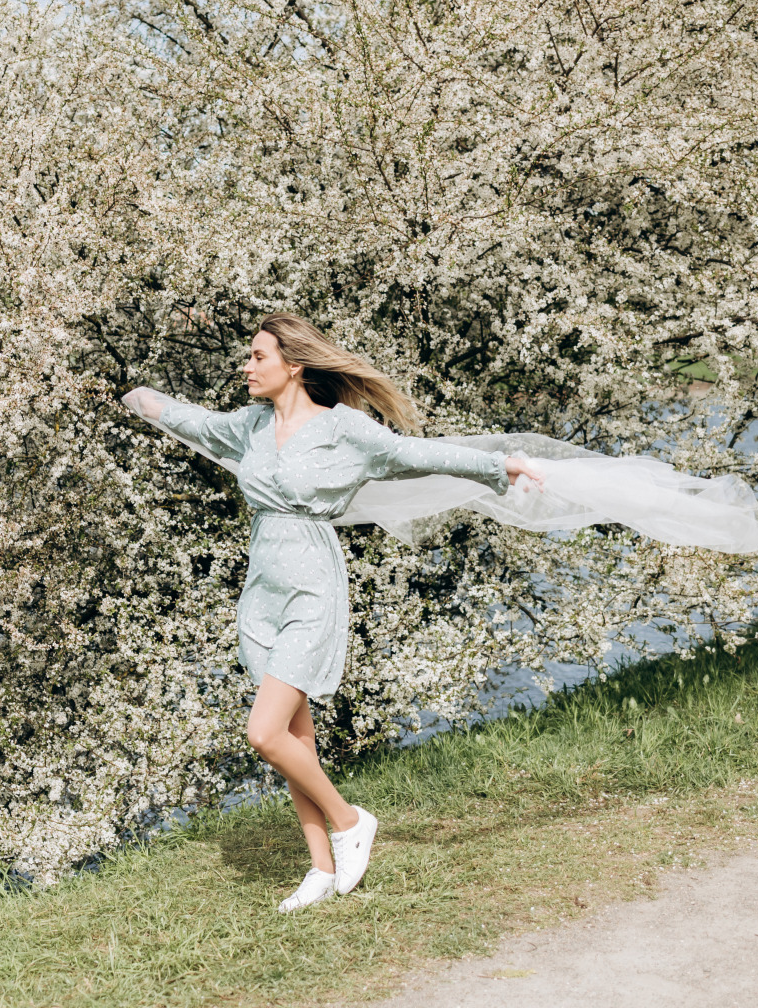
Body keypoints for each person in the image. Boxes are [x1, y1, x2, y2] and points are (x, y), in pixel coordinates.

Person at [128, 313, 544, 913]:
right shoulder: (249, 426)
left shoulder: (344, 429)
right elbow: (191, 421)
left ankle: (350, 823)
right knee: (297, 738)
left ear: (292, 366)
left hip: (312, 585)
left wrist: (498, 465)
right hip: (262, 591)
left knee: (264, 733)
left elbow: (413, 453)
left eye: (257, 357)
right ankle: (321, 868)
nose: (247, 367)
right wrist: (139, 398)